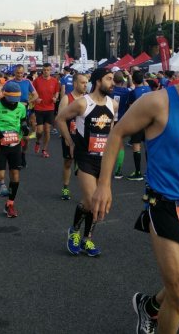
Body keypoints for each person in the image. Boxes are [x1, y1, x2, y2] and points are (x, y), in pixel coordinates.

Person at [90, 45, 179, 334]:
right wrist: (104, 185)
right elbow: (118, 133)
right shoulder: (157, 102)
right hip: (164, 203)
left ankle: (150, 305)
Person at [56, 68, 118, 257]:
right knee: (92, 200)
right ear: (98, 81)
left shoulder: (113, 104)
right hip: (85, 158)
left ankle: (87, 239)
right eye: (109, 79)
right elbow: (60, 119)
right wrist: (70, 141)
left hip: (104, 160)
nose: (112, 83)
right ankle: (74, 232)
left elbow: (112, 129)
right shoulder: (83, 103)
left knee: (95, 204)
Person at [0, 81, 29, 217]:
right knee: (1, 176)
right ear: (5, 95)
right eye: (12, 100)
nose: (14, 103)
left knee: (15, 175)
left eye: (16, 100)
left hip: (15, 144)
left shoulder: (21, 107)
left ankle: (10, 203)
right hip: (0, 145)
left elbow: (23, 121)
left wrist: (25, 128)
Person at [58, 73, 88, 200]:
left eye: (86, 83)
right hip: (70, 136)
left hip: (84, 137)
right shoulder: (67, 98)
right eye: (83, 83)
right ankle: (65, 187)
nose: (85, 85)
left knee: (85, 166)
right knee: (67, 163)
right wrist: (66, 137)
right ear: (75, 83)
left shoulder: (88, 99)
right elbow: (60, 119)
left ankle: (86, 193)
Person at [126, 70, 152, 181]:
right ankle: (150, 172)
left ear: (134, 80)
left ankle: (138, 172)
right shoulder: (148, 89)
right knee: (148, 147)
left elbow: (131, 109)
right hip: (149, 122)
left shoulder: (133, 93)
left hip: (138, 122)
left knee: (136, 146)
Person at [33, 63, 60, 158]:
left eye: (48, 70)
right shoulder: (37, 81)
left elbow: (57, 92)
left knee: (47, 130)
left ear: (50, 70)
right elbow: (32, 93)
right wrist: (36, 99)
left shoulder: (55, 81)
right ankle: (37, 142)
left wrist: (55, 98)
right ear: (42, 70)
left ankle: (44, 149)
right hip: (39, 108)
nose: (46, 71)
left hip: (50, 108)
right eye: (44, 70)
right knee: (40, 131)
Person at [111, 70, 133, 179]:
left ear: (113, 80)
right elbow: (133, 87)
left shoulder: (109, 91)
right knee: (120, 145)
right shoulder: (127, 91)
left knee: (104, 143)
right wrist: (129, 76)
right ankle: (118, 170)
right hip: (121, 120)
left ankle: (102, 168)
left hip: (108, 119)